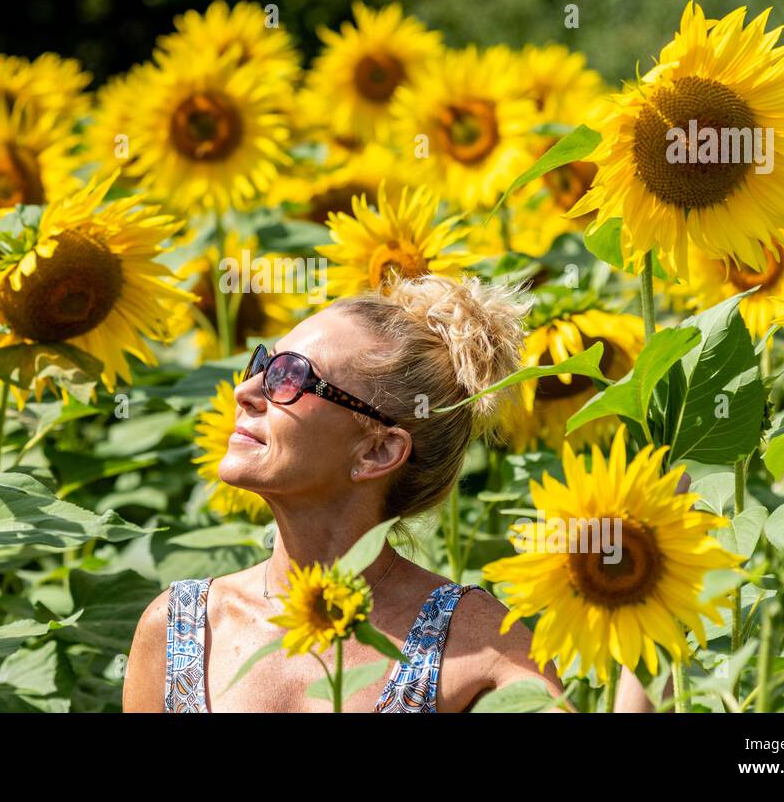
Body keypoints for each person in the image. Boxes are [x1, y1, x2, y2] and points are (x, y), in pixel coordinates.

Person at [123, 273, 659, 712]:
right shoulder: (181, 629)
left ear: (376, 452)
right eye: (261, 363)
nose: (245, 391)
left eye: (289, 375)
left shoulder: (480, 649)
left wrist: (653, 610)